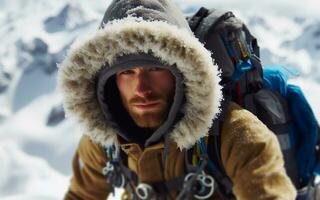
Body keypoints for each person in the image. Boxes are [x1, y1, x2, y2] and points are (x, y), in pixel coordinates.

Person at [58, 0, 297, 199]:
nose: (141, 88)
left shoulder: (236, 133)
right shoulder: (104, 141)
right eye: (126, 72)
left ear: (183, 73)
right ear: (109, 83)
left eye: (155, 70)